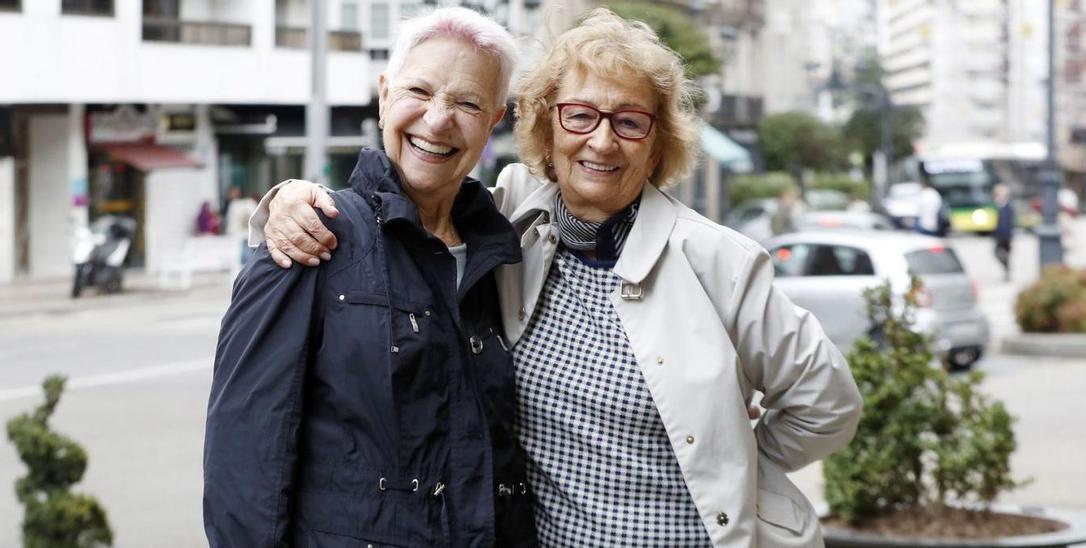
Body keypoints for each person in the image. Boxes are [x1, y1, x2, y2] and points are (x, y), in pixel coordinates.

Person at [253, 9, 862, 547]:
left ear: (657, 145)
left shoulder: (718, 260)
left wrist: (723, 455)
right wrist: (289, 197)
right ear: (545, 128)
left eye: (630, 122)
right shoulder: (511, 217)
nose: (602, 140)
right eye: (579, 116)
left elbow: (827, 405)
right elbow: (417, 198)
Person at [204, 8, 537, 548]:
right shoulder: (309, 237)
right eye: (419, 91)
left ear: (494, 120)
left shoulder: (506, 253)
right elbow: (245, 464)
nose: (437, 119)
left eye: (467, 103)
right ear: (384, 95)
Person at [223, 189, 258, 266]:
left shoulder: (234, 205)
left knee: (245, 256)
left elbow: (231, 220)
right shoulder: (250, 203)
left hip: (242, 234)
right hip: (245, 234)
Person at [993, 183, 1015, 281]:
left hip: (1006, 236)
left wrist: (1009, 237)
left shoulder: (1008, 207)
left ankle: (1007, 270)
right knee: (999, 253)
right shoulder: (997, 206)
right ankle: (1007, 270)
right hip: (999, 235)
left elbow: (1009, 223)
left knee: (1002, 253)